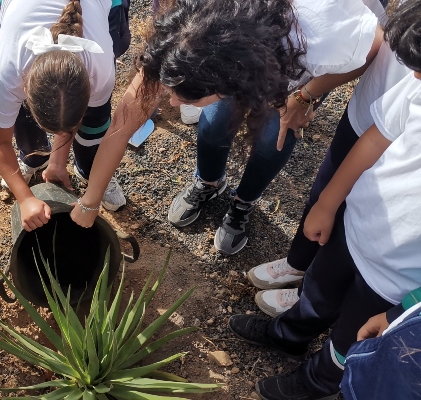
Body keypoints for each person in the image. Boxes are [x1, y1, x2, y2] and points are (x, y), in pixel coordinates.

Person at [69, 0, 381, 258]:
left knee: (273, 136)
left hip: (295, 66)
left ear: (228, 81)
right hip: (246, 51)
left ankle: (244, 201)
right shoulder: (188, 33)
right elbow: (121, 126)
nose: (173, 104)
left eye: (186, 97)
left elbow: (373, 46)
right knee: (215, 122)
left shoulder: (322, 36)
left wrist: (306, 95)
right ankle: (209, 182)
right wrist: (89, 202)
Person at [228, 1, 421, 397]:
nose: (414, 77)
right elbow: (376, 137)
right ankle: (288, 334)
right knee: (316, 294)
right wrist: (328, 202)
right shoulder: (416, 86)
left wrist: (403, 311)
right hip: (354, 229)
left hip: (397, 281)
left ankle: (316, 381)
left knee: (350, 341)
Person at [247, 0, 410, 317]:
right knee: (325, 190)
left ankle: (310, 293)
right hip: (371, 106)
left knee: (360, 218)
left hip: (406, 147)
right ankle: (297, 263)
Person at [0, 0, 130, 232]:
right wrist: (25, 199)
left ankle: (87, 171)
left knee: (96, 122)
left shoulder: (100, 68)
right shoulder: (7, 71)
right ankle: (33, 158)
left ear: (87, 85)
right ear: (24, 89)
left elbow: (71, 110)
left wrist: (58, 161)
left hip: (94, 8)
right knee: (18, 120)